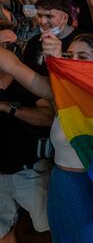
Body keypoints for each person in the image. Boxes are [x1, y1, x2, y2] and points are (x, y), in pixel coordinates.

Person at [0, 33, 93, 242]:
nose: (74, 61)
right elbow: (15, 67)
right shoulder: (62, 93)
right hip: (62, 183)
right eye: (70, 56)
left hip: (92, 187)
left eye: (83, 56)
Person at [0, 29, 52, 243]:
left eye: (13, 45)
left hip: (30, 172)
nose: (10, 51)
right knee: (3, 231)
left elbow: (48, 116)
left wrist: (8, 108)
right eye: (4, 45)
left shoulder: (30, 76)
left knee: (49, 226)